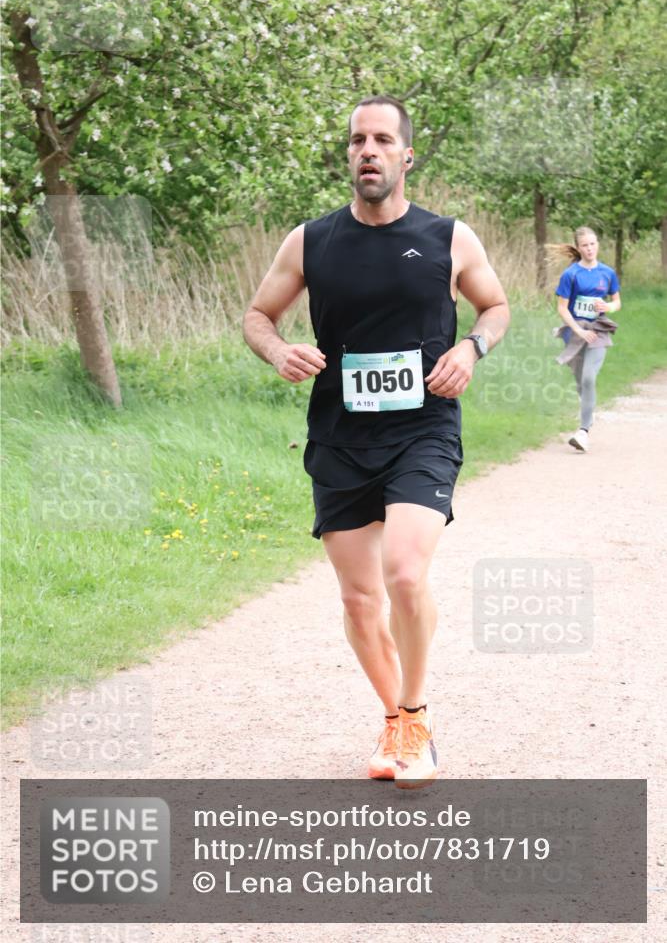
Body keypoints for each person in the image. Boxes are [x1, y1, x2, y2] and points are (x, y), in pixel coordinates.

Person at [243, 95, 510, 789]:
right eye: (358, 140)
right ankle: (393, 717)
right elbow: (257, 315)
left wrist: (472, 348)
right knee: (360, 601)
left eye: (383, 140)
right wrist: (278, 350)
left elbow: (495, 306)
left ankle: (415, 716)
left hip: (423, 428)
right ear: (349, 156)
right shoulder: (310, 241)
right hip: (339, 436)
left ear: (405, 156)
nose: (368, 150)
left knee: (404, 573)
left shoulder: (449, 238)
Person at [549, 227, 621, 453]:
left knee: (589, 378)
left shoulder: (607, 273)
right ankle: (588, 413)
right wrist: (578, 331)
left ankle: (583, 431)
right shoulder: (571, 275)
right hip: (575, 334)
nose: (590, 249)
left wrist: (607, 306)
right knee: (581, 383)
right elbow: (562, 308)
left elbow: (617, 302)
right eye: (585, 245)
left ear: (597, 245)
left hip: (598, 331)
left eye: (593, 244)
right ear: (579, 248)